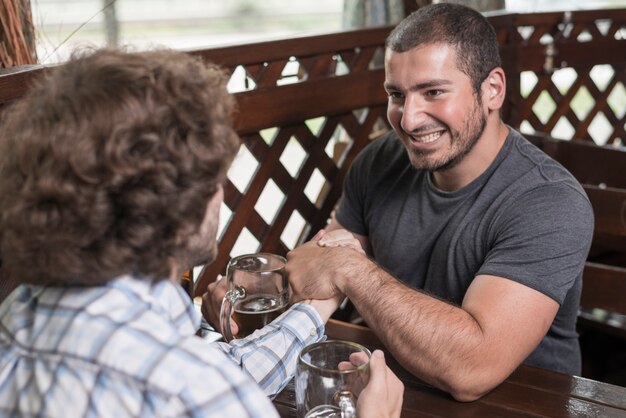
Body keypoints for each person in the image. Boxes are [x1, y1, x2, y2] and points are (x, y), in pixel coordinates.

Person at [0, 48, 402, 417]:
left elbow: (220, 372)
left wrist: (316, 306)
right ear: (183, 209)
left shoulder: (19, 313)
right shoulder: (201, 394)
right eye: (214, 176)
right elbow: (203, 386)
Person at [283, 3, 594, 402]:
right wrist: (258, 288)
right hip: (394, 391)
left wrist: (351, 270)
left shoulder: (549, 201)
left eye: (433, 92)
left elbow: (472, 368)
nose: (409, 120)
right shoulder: (378, 161)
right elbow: (320, 272)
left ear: (492, 90)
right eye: (397, 94)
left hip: (519, 404)